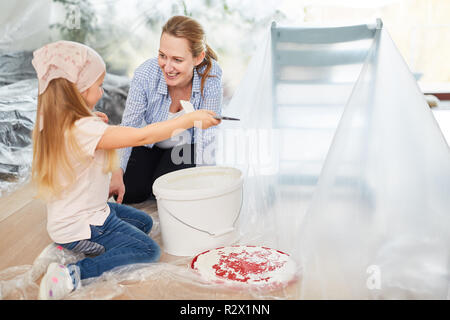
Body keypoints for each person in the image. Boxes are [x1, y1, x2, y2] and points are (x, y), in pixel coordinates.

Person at [31, 40, 220, 300]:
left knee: (143, 222)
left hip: (79, 212)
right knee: (147, 250)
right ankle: (72, 274)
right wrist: (187, 119)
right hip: (82, 222)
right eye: (98, 86)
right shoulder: (84, 130)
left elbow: (81, 141)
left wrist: (90, 118)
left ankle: (71, 243)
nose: (102, 91)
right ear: (77, 91)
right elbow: (141, 136)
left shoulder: (57, 120)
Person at [109, 15, 223, 205]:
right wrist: (117, 170)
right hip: (147, 142)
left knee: (167, 191)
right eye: (162, 56)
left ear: (198, 58)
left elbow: (208, 133)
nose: (167, 67)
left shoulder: (210, 75)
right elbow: (129, 126)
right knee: (129, 192)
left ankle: (163, 177)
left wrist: (205, 179)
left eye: (177, 60)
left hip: (184, 146)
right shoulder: (145, 74)